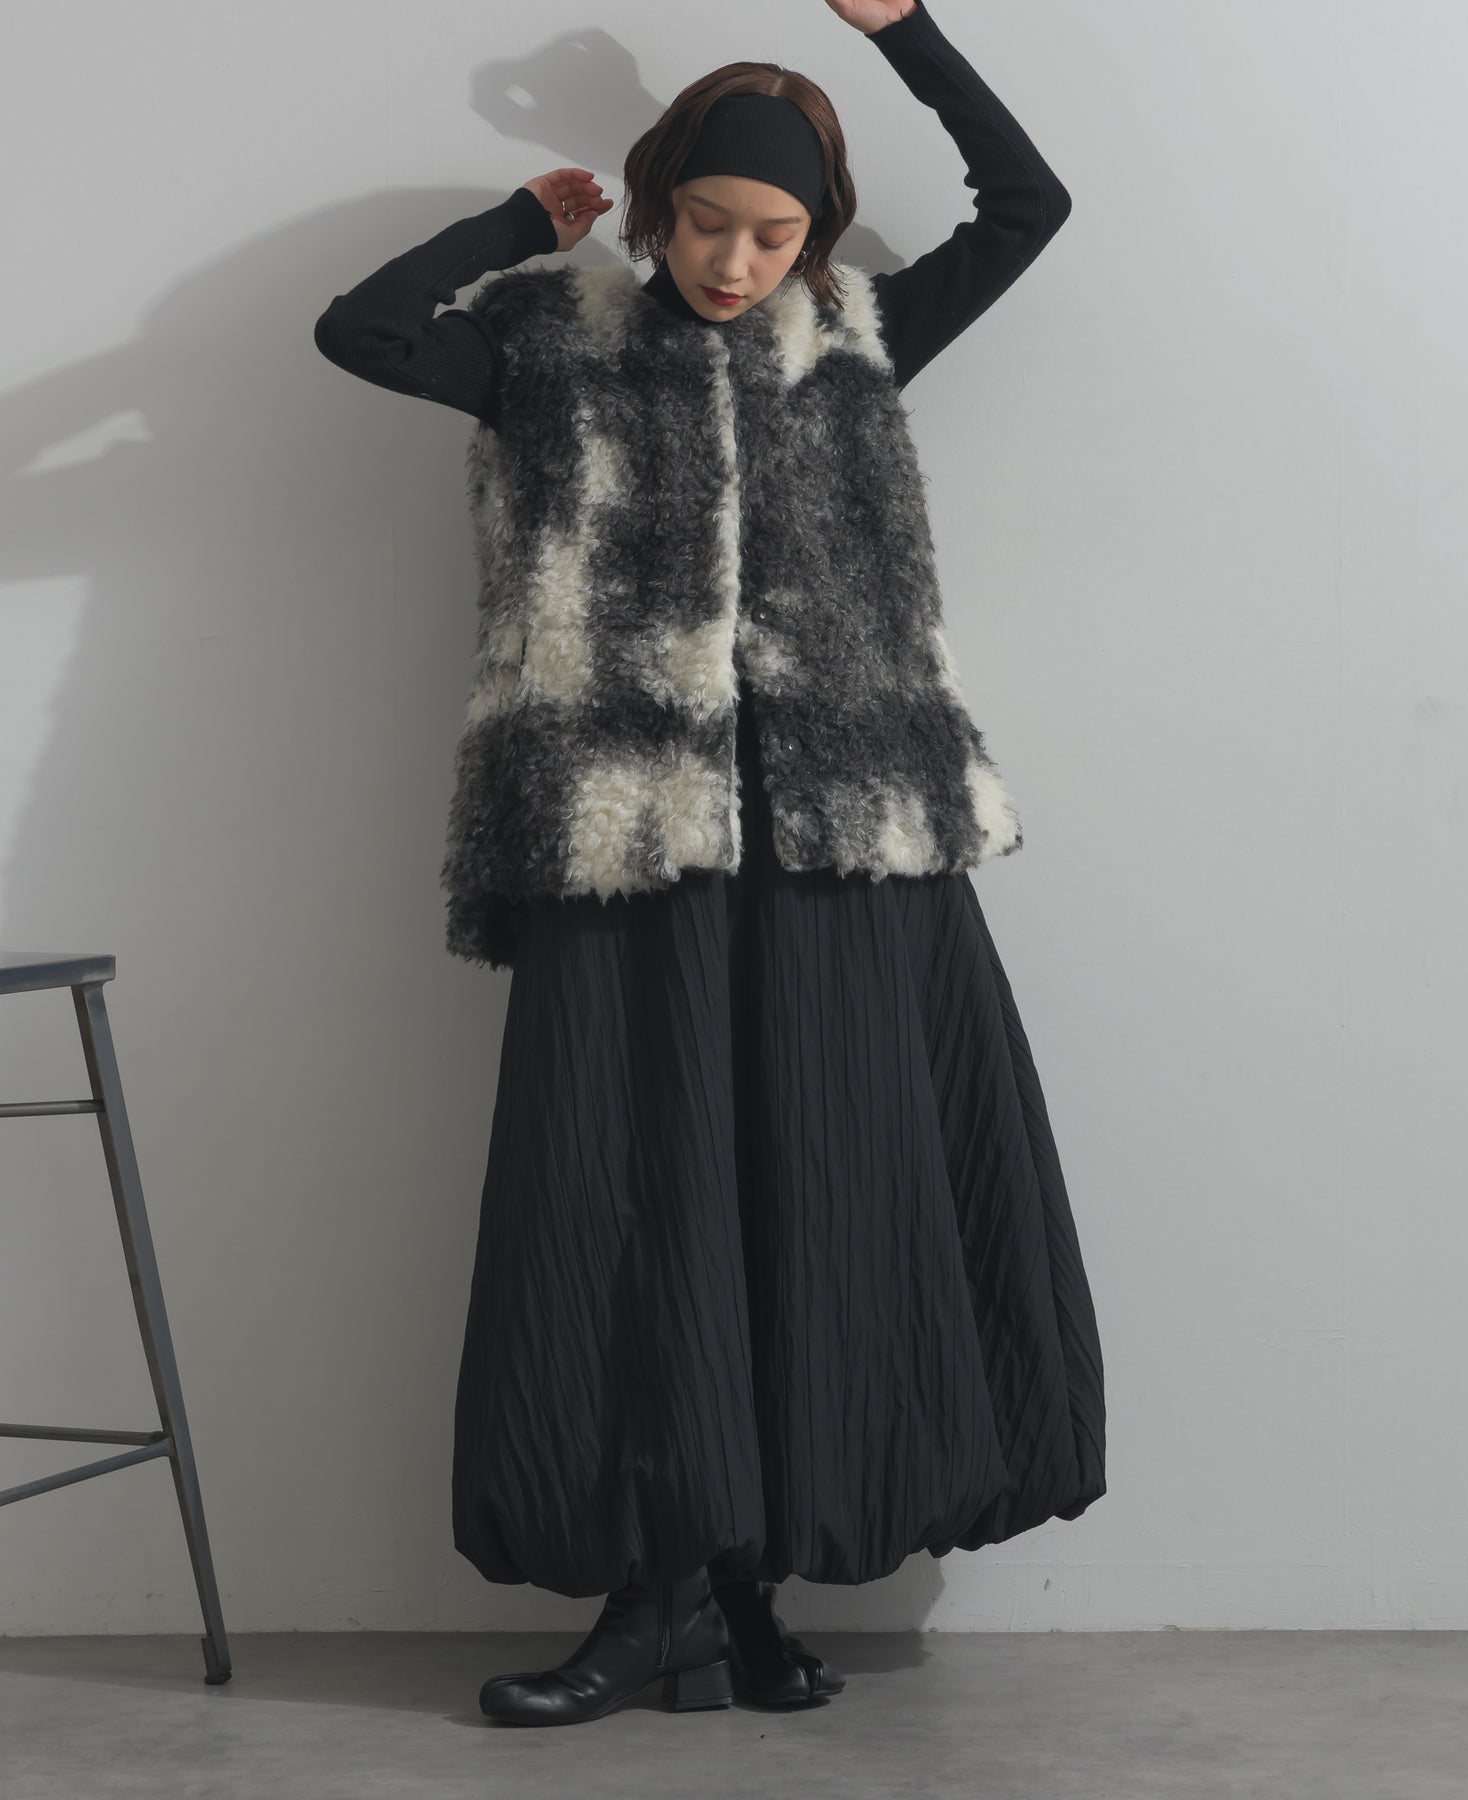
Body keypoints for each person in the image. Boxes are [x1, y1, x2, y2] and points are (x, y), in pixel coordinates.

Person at [314, 0, 1106, 1729]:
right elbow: (358, 331)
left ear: (815, 236)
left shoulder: (860, 337)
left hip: (846, 832)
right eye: (705, 224)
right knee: (632, 1193)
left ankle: (742, 1587)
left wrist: (906, 30)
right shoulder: (545, 345)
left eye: (774, 235)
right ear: (658, 204)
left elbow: (1030, 204)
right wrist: (518, 225)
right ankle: (656, 1588)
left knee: (816, 1182)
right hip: (632, 835)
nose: (736, 264)